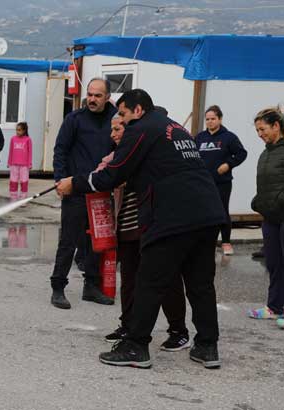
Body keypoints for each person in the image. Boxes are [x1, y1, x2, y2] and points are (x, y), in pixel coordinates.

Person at [57, 89, 226, 369]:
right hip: (207, 214)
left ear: (138, 111)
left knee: (149, 280)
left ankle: (136, 346)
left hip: (173, 216)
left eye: (122, 113)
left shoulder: (142, 128)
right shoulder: (175, 128)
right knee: (200, 284)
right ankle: (208, 346)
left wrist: (74, 183)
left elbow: (114, 174)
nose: (120, 120)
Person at [101, 113, 190, 352]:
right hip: (127, 227)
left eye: (118, 128)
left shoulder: (151, 152)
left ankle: (178, 330)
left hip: (153, 226)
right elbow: (103, 171)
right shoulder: (114, 157)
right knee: (129, 279)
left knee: (167, 280)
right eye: (112, 129)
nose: (114, 134)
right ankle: (128, 324)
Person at [49, 78, 117, 309]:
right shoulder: (74, 119)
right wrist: (60, 180)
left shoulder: (115, 120)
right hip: (75, 190)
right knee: (68, 241)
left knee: (97, 243)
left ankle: (91, 286)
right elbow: (60, 150)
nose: (92, 99)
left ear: (108, 97)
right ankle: (58, 287)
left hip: (101, 190)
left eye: (98, 95)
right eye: (90, 94)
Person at [248, 107, 284, 330]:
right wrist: (258, 201)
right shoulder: (266, 152)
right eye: (257, 130)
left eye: (262, 129)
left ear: (276, 126)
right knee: (274, 263)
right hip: (270, 216)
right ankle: (275, 307)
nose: (259, 134)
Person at [196, 105, 248, 255]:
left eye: (213, 119)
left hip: (222, 182)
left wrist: (228, 164)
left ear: (220, 119)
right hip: (203, 183)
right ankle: (206, 243)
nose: (210, 122)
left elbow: (241, 154)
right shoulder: (200, 138)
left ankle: (226, 242)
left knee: (222, 211)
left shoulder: (229, 137)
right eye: (207, 119)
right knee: (204, 212)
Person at [8, 122, 32, 201]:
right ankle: (13, 198)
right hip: (14, 164)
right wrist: (9, 162)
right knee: (13, 181)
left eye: (19, 130)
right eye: (16, 130)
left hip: (24, 165)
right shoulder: (13, 139)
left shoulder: (28, 139)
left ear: (24, 130)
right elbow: (11, 151)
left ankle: (23, 199)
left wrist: (29, 163)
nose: (17, 132)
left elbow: (30, 152)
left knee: (24, 182)